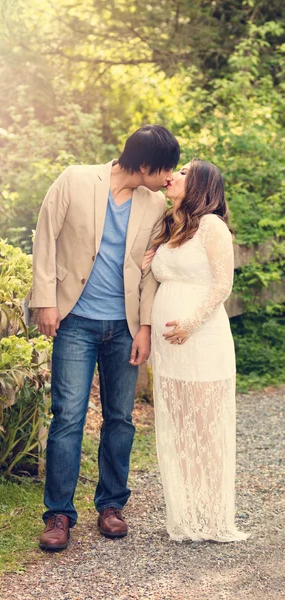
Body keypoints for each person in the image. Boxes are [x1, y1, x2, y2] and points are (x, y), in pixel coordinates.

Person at [30, 125, 180, 551]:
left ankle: (111, 506)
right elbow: (45, 238)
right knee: (68, 417)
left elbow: (151, 271)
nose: (168, 177)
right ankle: (58, 514)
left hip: (124, 327)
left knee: (120, 420)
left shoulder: (154, 205)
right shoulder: (75, 179)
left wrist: (146, 328)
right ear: (145, 165)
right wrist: (45, 300)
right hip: (74, 320)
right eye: (164, 168)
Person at [142, 159, 249, 542]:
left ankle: (214, 517)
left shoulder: (213, 227)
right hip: (169, 349)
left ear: (202, 184)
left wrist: (189, 323)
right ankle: (187, 516)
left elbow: (222, 286)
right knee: (178, 425)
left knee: (205, 427)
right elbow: (158, 275)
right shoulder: (172, 225)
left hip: (202, 339)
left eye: (185, 172)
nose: (174, 175)